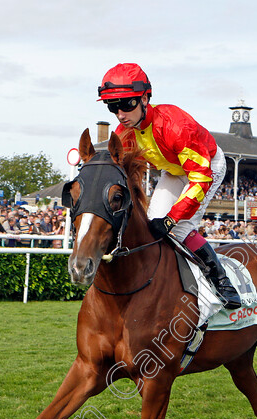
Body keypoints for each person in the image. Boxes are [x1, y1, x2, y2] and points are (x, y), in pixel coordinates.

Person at [98, 63, 241, 308]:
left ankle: (222, 283)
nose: (120, 114)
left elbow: (200, 177)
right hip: (174, 171)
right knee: (152, 226)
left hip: (207, 168)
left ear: (144, 98)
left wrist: (172, 218)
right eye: (113, 107)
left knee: (179, 229)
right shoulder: (126, 132)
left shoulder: (175, 125)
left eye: (127, 104)